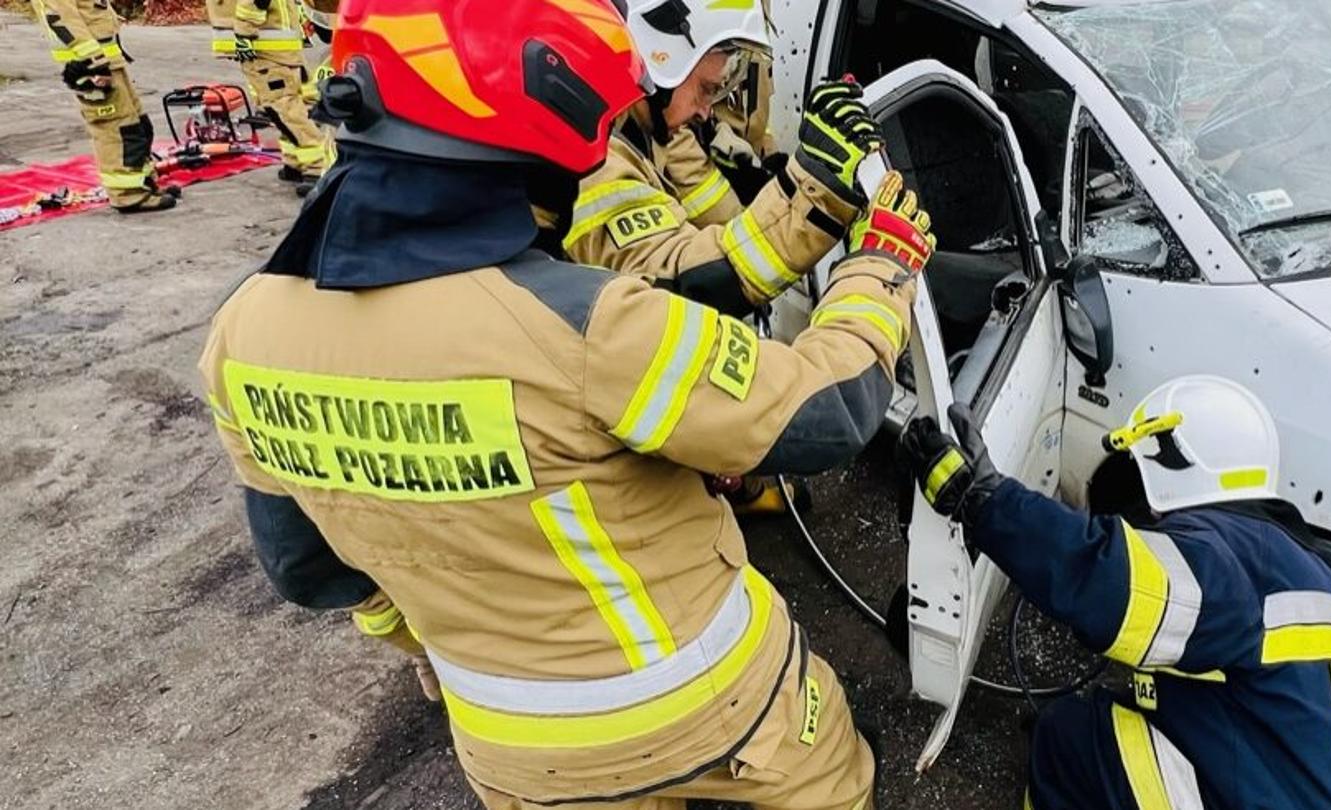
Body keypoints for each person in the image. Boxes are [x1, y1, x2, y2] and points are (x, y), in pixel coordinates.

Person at [198, 0, 934, 806]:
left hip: (512, 747)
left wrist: (439, 646)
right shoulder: (581, 324)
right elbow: (826, 412)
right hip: (710, 702)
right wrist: (883, 268)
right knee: (828, 781)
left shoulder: (243, 332)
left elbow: (306, 570)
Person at [902, 376, 1331, 810]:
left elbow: (1115, 587)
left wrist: (985, 503)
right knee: (1131, 719)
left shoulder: (1229, 560)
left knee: (1072, 740)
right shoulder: (1307, 575)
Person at [561, 0, 886, 513]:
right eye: (706, 89)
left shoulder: (634, 125)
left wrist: (775, 173)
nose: (706, 110)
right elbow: (687, 281)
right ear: (659, 61)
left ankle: (733, 486)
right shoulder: (598, 160)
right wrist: (815, 190)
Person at [28, 0, 178, 213]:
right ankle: (128, 195)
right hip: (91, 67)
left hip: (108, 62)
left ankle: (143, 183)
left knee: (137, 124)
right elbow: (61, 19)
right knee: (116, 131)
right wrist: (94, 63)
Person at [205, 0, 333, 193]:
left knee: (282, 108)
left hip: (264, 46)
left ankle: (317, 166)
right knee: (288, 108)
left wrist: (244, 33)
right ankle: (296, 161)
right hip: (276, 46)